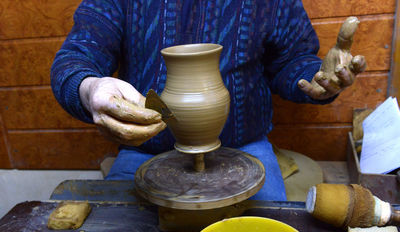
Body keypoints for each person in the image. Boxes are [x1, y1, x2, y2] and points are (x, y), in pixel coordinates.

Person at [51, 0, 366, 201]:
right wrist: (90, 87)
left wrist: (318, 78)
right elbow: (76, 57)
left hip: (244, 149)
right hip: (146, 149)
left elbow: (290, 61)